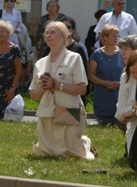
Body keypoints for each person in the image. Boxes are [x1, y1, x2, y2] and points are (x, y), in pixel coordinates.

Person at [29, 21, 95, 160]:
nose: (49, 35)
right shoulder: (41, 63)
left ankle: (85, 142)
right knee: (47, 153)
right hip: (48, 112)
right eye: (47, 33)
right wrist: (44, 87)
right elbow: (33, 95)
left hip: (69, 110)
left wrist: (57, 85)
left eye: (53, 32)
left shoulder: (74, 58)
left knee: (73, 154)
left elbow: (82, 89)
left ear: (63, 36)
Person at [88, 24, 124, 124]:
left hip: (119, 92)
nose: (116, 38)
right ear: (105, 37)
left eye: (117, 36)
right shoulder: (97, 54)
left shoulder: (123, 53)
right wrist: (104, 83)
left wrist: (119, 83)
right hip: (102, 92)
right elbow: (90, 74)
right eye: (113, 35)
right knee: (103, 122)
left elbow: (130, 73)